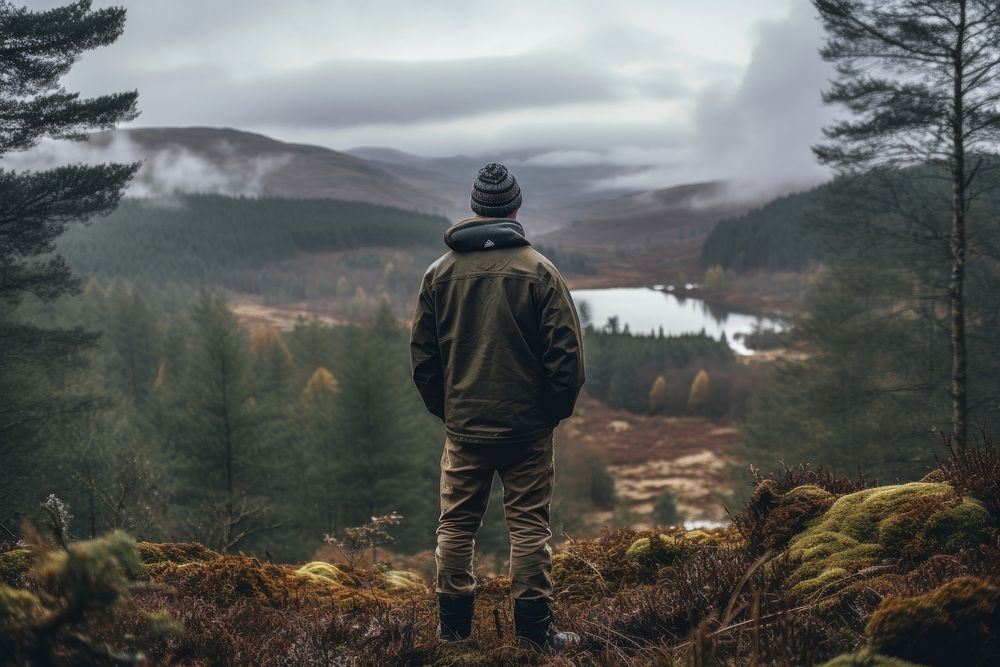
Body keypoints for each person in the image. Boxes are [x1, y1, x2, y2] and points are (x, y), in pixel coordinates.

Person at [409, 163, 586, 650]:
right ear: (514, 207)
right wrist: (550, 414)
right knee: (529, 525)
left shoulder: (438, 274)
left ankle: (452, 633)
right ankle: (533, 636)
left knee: (456, 525)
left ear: (475, 207)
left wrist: (451, 411)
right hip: (527, 431)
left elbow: (424, 360)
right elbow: (567, 360)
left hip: (464, 428)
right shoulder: (539, 271)